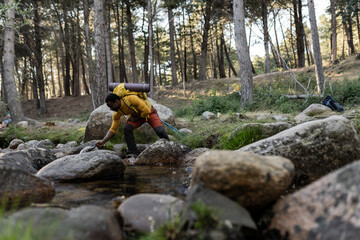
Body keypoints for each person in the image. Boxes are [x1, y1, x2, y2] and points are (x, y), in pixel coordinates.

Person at [96, 93, 169, 158]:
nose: (111, 109)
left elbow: (146, 111)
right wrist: (103, 141)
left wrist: (136, 118)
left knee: (160, 131)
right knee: (127, 128)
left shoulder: (131, 99)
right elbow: (113, 129)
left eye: (111, 106)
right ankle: (133, 153)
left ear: (116, 101)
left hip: (150, 113)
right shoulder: (117, 112)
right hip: (138, 117)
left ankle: (170, 146)